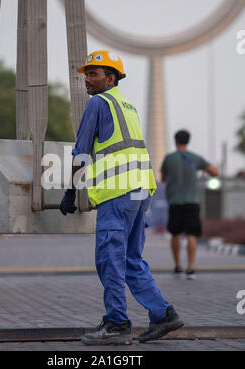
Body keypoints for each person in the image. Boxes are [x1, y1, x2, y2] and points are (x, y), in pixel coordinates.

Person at [59, 50, 184, 345]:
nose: (87, 80)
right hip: (141, 191)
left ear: (110, 78)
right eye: (86, 74)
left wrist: (71, 190)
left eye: (94, 74)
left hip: (118, 194)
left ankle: (117, 325)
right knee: (130, 259)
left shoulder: (97, 104)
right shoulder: (126, 105)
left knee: (110, 258)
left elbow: (82, 151)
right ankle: (164, 314)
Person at [161, 130, 219, 279]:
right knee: (191, 234)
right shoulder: (196, 158)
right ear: (188, 141)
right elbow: (215, 172)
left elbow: (163, 178)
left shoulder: (169, 158)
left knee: (175, 233)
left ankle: (177, 266)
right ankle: (191, 268)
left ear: (175, 141)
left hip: (175, 201)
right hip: (192, 201)